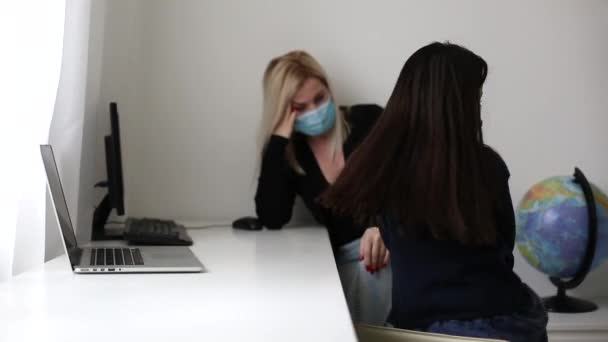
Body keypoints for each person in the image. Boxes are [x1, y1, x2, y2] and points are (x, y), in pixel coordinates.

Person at [321, 42, 548, 341]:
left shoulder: (384, 168)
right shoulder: (488, 166)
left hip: (421, 330)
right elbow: (504, 250)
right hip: (509, 323)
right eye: (475, 101)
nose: (479, 113)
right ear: (457, 107)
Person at [255, 50, 391, 325]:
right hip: (340, 260)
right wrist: (280, 139)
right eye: (300, 108)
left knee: (375, 272)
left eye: (319, 98)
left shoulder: (368, 121)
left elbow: (415, 185)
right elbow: (272, 217)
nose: (315, 112)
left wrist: (386, 228)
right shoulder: (294, 154)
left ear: (329, 88)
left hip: (391, 249)